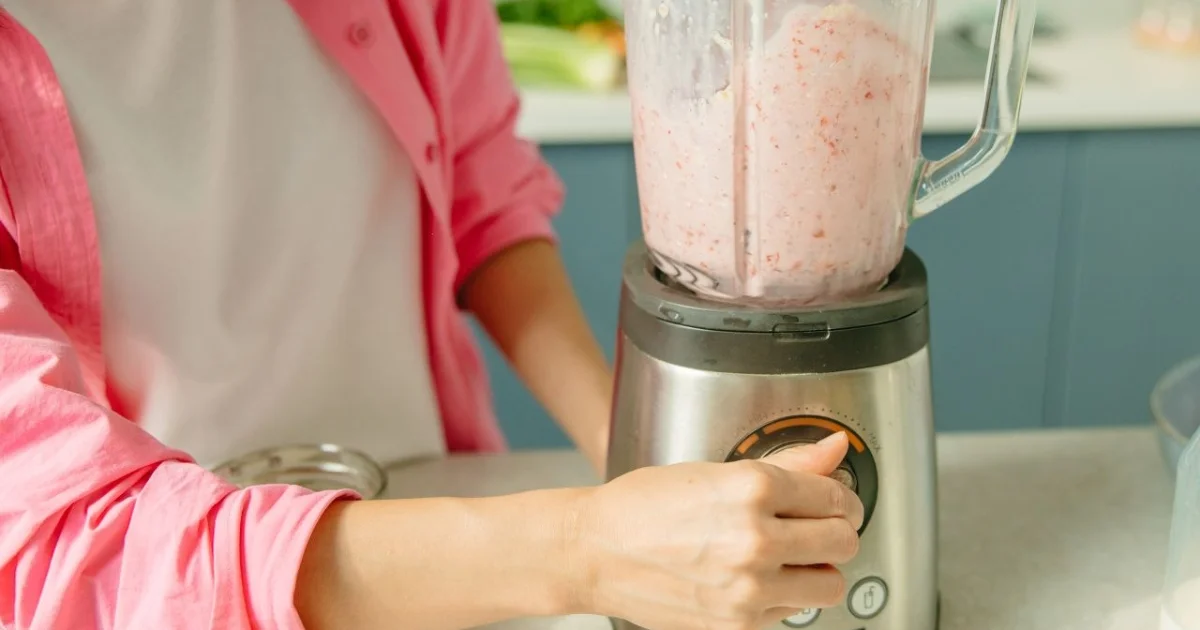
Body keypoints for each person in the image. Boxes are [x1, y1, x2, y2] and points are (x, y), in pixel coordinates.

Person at [0, 2, 865, 629]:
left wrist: (638, 455)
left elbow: (481, 193)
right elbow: (77, 547)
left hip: (447, 547)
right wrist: (588, 548)